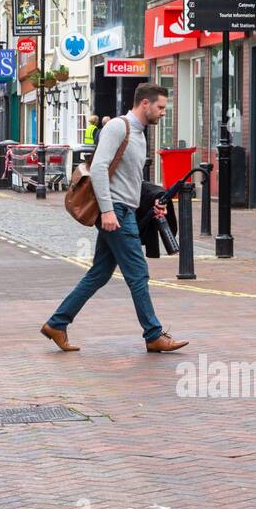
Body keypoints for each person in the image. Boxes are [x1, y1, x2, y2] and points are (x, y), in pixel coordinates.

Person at [39, 83, 189, 354]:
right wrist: (107, 211)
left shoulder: (140, 134)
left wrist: (154, 199)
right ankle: (154, 335)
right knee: (138, 273)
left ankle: (57, 323)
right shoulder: (118, 128)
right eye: (161, 107)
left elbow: (131, 179)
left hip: (123, 210)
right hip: (116, 213)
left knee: (99, 273)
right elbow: (98, 168)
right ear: (145, 104)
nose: (163, 113)